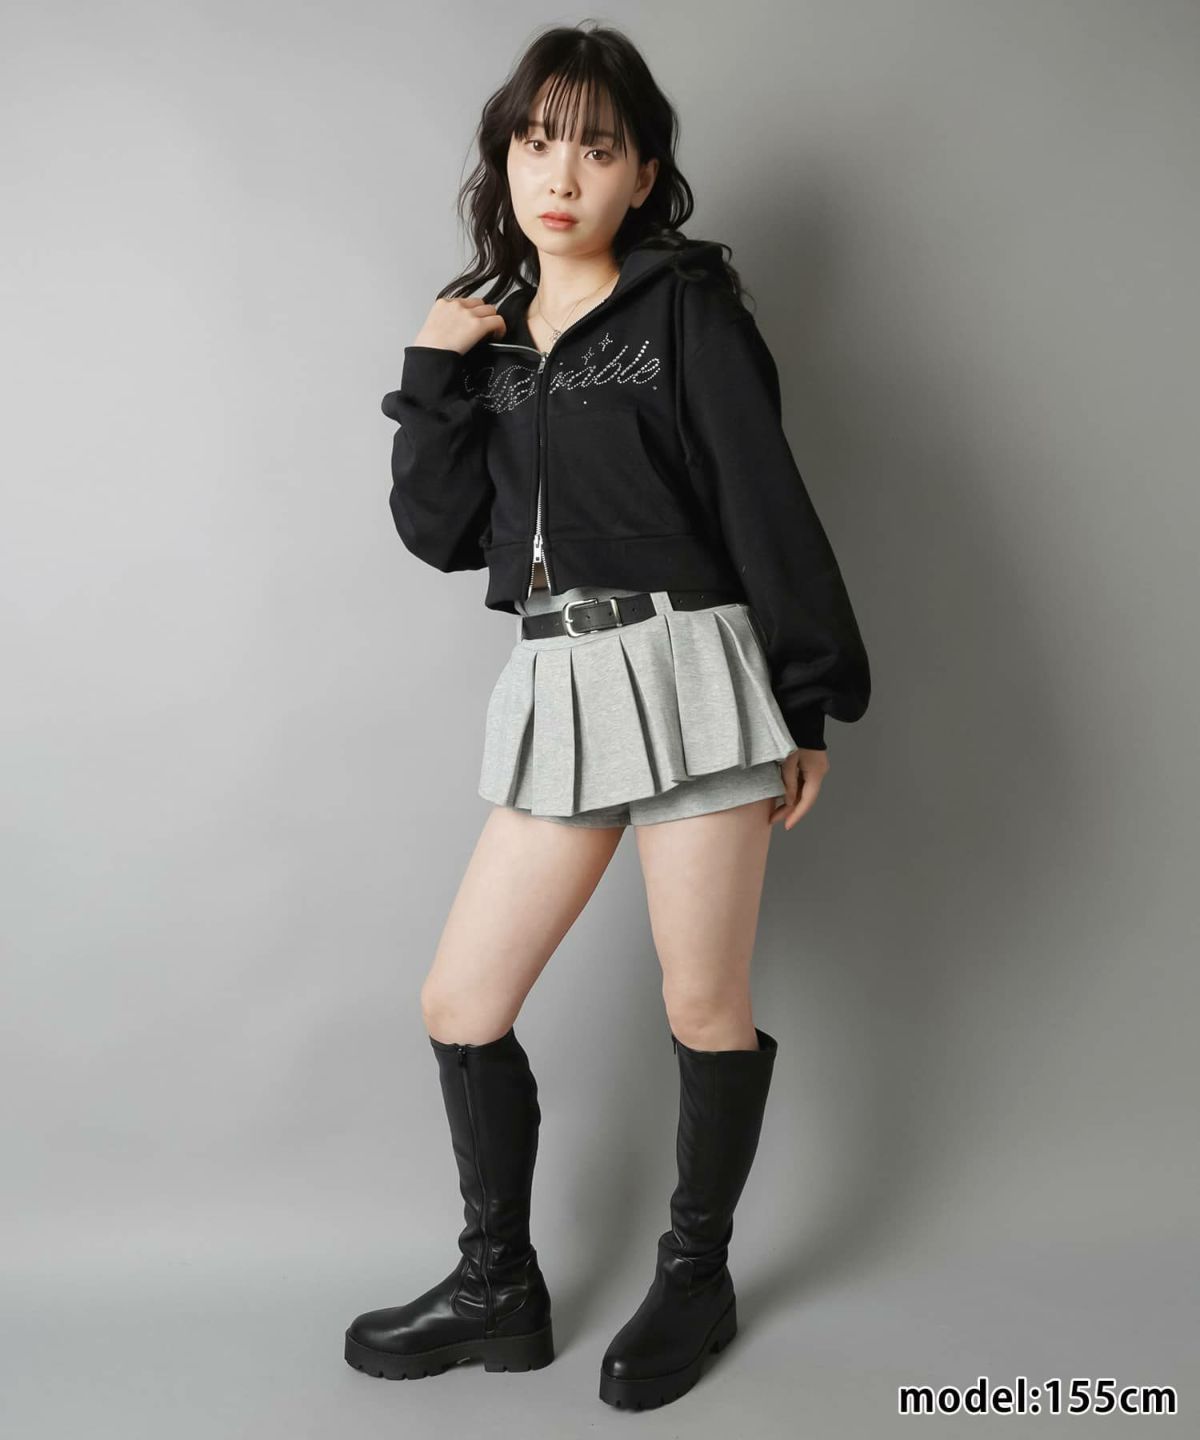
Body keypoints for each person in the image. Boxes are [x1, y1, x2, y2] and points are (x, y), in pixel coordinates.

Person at [345, 21, 871, 1412]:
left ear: (643, 174)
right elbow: (441, 534)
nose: (561, 173)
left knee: (703, 1001)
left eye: (596, 145)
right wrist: (432, 371)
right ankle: (498, 1288)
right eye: (538, 141)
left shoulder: (686, 313)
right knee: (462, 1001)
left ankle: (697, 1276)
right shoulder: (489, 337)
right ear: (504, 161)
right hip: (558, 683)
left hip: (692, 669)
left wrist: (805, 701)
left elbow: (764, 499)